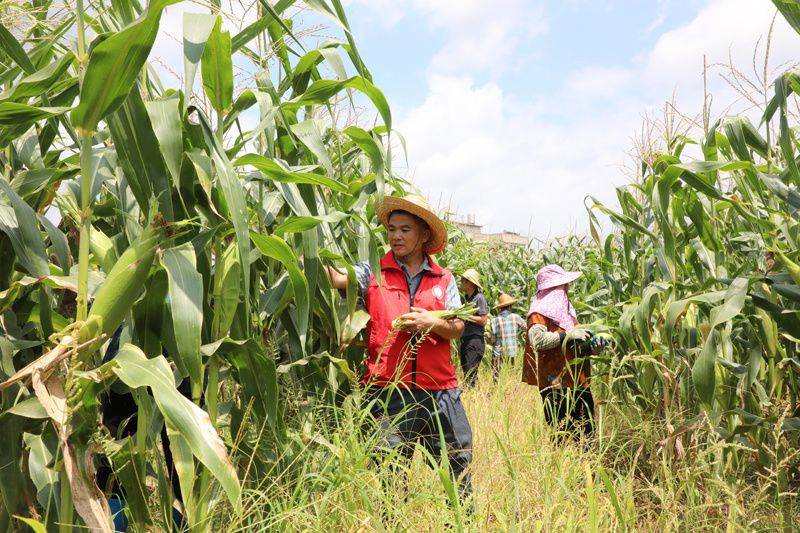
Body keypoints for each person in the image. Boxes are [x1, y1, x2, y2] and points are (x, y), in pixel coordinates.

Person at [326, 194, 473, 502]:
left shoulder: (444, 279)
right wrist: (302, 248)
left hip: (439, 393)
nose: (395, 235)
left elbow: (458, 327)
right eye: (392, 228)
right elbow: (338, 278)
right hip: (388, 394)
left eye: (405, 229)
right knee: (389, 476)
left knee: (457, 469)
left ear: (424, 236)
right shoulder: (372, 272)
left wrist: (430, 322)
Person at [522, 265, 605, 436]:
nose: (567, 289)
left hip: (578, 381)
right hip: (555, 383)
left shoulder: (567, 315)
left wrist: (594, 347)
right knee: (562, 433)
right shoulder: (538, 315)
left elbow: (577, 346)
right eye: (563, 286)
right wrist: (566, 335)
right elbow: (538, 341)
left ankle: (585, 463)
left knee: (586, 431)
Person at [458, 268, 488, 387]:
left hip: (474, 340)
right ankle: (471, 398)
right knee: (466, 372)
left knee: (470, 374)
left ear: (471, 283)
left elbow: (483, 320)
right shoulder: (468, 299)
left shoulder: (479, 298)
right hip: (466, 339)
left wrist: (466, 316)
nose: (462, 283)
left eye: (464, 281)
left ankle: (473, 398)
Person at [487, 293, 526, 381]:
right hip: (512, 351)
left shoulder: (494, 320)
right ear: (510, 306)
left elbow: (492, 340)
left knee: (497, 375)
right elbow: (527, 328)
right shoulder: (516, 317)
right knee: (512, 374)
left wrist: (489, 339)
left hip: (499, 352)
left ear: (500, 308)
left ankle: (497, 390)